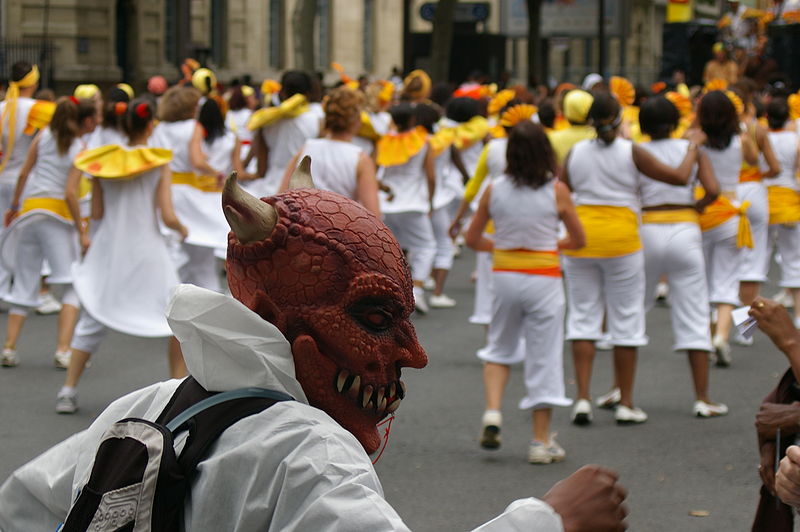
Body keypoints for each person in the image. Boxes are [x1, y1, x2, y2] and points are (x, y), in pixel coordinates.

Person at [0, 163, 629, 532]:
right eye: (375, 317)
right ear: (274, 313)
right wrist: (550, 519)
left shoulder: (139, 408)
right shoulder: (306, 450)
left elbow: (24, 509)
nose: (413, 355)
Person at [562, 93, 701, 426]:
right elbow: (679, 178)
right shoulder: (631, 150)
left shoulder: (575, 153)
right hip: (622, 239)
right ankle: (625, 402)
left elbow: (561, 190)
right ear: (619, 116)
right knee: (626, 320)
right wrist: (692, 149)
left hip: (582, 238)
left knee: (582, 317)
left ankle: (582, 398)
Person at [54, 98, 188, 414]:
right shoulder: (159, 161)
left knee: (94, 316)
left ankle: (68, 389)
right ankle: (176, 391)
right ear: (151, 125)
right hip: (147, 249)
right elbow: (167, 214)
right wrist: (182, 229)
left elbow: (97, 210)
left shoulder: (104, 162)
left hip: (110, 247)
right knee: (176, 319)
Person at [466, 121, 584, 463]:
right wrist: (547, 247)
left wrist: (503, 247)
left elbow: (473, 239)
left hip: (504, 274)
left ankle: (492, 412)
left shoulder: (495, 189)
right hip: (544, 276)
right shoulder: (556, 190)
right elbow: (578, 240)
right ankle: (540, 441)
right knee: (544, 355)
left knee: (499, 347)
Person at [636, 95, 728, 417]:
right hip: (685, 229)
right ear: (675, 122)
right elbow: (714, 190)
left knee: (631, 314)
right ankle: (703, 398)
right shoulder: (692, 150)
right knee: (693, 315)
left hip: (646, 227)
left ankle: (622, 395)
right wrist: (694, 208)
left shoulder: (636, 151)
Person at [0, 97, 97, 369]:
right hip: (57, 218)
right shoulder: (80, 148)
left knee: (24, 282)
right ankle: (63, 349)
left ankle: (9, 348)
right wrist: (81, 229)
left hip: (29, 213)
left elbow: (23, 174)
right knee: (69, 285)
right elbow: (70, 193)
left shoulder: (42, 136)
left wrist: (14, 206)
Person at [694, 90, 759, 365]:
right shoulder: (741, 140)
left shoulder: (695, 143)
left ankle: (707, 338)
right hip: (730, 213)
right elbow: (755, 160)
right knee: (727, 280)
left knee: (703, 280)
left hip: (701, 214)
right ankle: (721, 335)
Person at [0, 62, 55, 299]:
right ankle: (28, 289)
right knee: (28, 237)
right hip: (29, 182)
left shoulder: (1, 108)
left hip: (3, 178)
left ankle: (3, 286)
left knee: (3, 234)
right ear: (33, 82)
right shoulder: (42, 109)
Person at [279, 86, 379, 214]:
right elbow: (374, 214)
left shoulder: (306, 148)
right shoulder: (361, 159)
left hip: (305, 226)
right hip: (341, 228)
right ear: (357, 120)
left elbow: (282, 195)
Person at [377, 103, 436, 314]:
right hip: (414, 203)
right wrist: (430, 201)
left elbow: (377, 173)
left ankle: (393, 294)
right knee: (426, 247)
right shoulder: (424, 140)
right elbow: (430, 176)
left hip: (387, 203)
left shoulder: (384, 141)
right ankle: (417, 291)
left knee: (394, 251)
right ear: (413, 120)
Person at [249, 70, 321, 197]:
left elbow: (261, 170)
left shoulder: (266, 120)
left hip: (270, 188)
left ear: (282, 92)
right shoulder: (318, 120)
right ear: (309, 93)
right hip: (306, 190)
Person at [764, 98, 800, 323]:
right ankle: (798, 317)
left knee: (752, 265)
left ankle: (745, 328)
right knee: (794, 259)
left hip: (764, 202)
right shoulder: (794, 139)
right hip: (788, 203)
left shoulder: (761, 138)